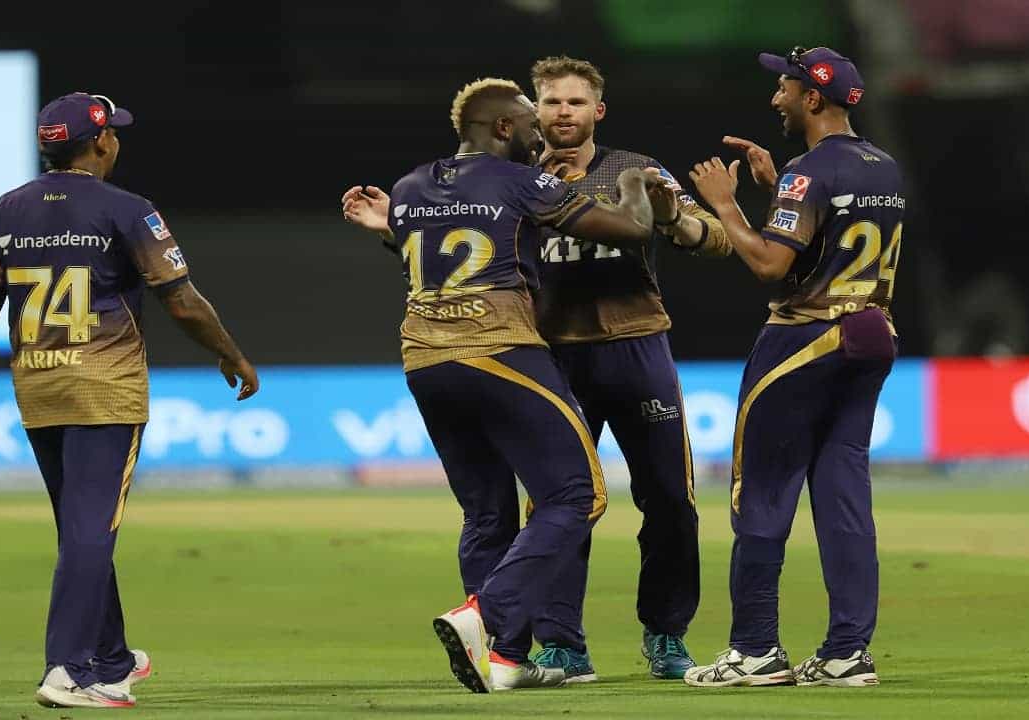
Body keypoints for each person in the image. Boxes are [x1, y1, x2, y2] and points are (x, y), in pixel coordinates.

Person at [0, 92, 258, 709]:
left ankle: (111, 657)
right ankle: (69, 670)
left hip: (38, 386)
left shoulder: (4, 210)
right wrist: (231, 353)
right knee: (90, 530)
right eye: (115, 134)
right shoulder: (129, 211)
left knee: (80, 525)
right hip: (105, 388)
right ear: (101, 141)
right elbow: (181, 300)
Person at [341, 77, 658, 692]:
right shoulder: (521, 181)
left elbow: (442, 244)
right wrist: (633, 186)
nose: (541, 140)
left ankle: (505, 660)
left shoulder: (409, 187)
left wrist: (391, 226)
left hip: (425, 360)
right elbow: (630, 229)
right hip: (499, 349)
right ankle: (486, 614)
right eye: (533, 128)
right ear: (504, 128)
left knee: (487, 511)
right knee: (578, 495)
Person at [683, 47, 902, 688]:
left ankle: (754, 650)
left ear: (812, 98)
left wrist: (724, 204)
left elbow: (770, 265)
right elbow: (833, 236)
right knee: (843, 497)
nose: (775, 98)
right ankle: (846, 653)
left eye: (784, 86)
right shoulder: (883, 164)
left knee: (763, 492)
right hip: (871, 333)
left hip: (804, 339)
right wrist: (778, 184)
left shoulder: (808, 174)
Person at [524, 54, 731, 682]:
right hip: (553, 355)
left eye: (575, 101)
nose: (564, 112)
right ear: (535, 110)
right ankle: (561, 644)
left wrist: (673, 218)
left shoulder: (634, 170)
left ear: (599, 110)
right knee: (559, 504)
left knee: (669, 499)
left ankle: (666, 635)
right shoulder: (513, 177)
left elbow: (715, 238)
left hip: (637, 346)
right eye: (553, 101)